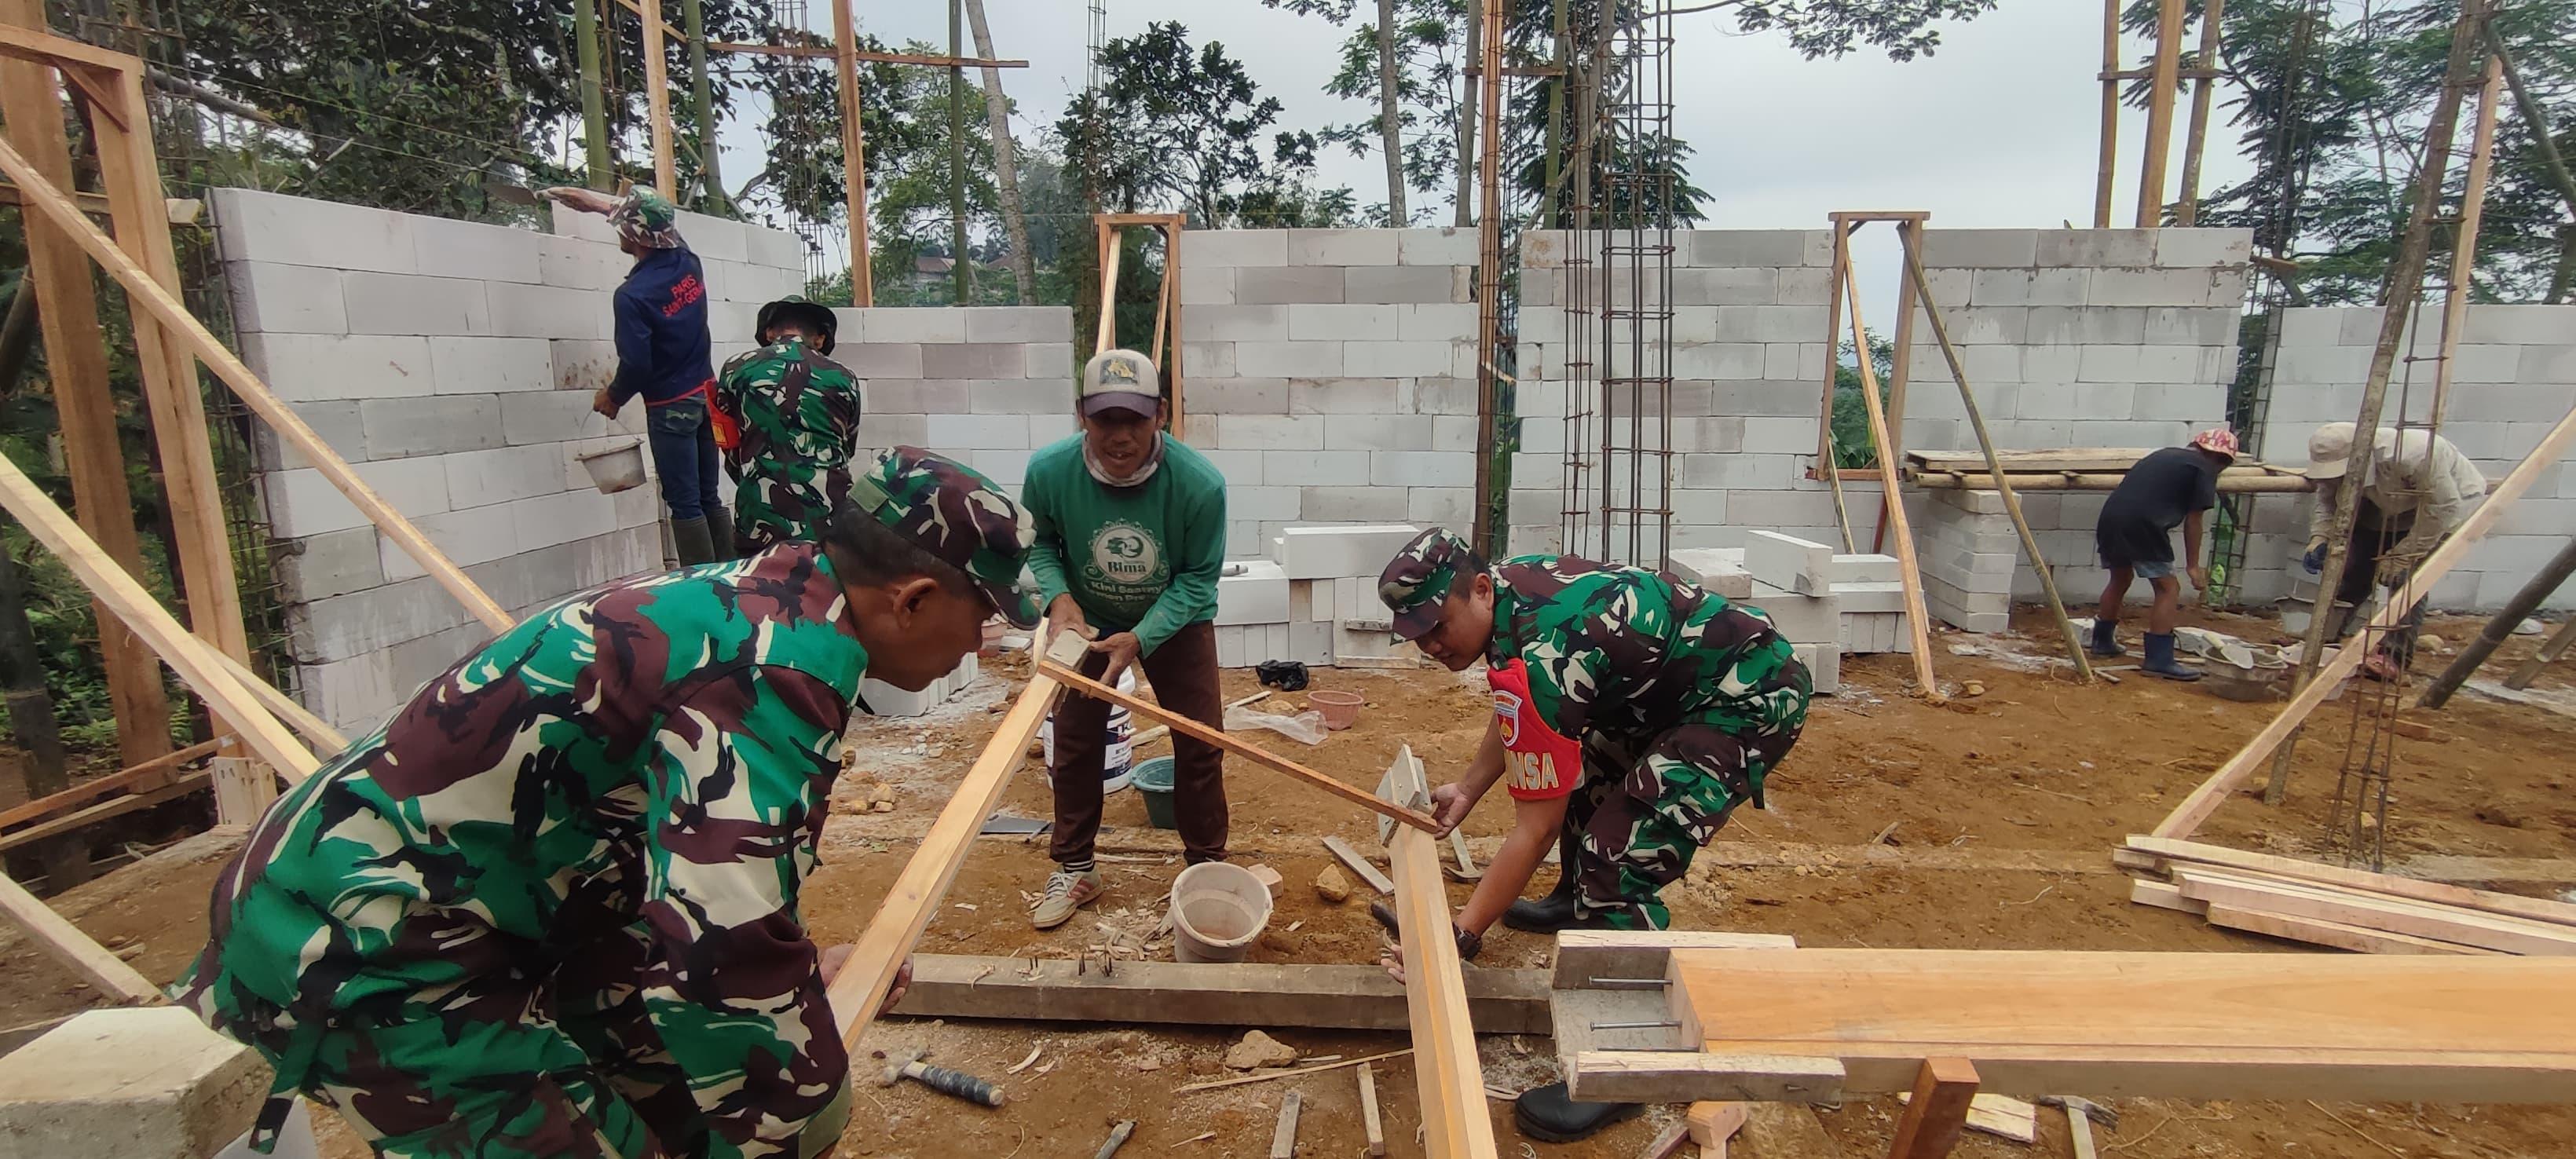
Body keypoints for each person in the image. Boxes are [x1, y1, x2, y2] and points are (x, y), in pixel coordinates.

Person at [173, 448, 1040, 1159]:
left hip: (499, 907)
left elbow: (707, 875)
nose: (981, 641)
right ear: (912, 600)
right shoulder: (775, 669)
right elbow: (722, 943)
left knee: (687, 1106)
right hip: (371, 941)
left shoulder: (773, 599)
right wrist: (799, 1111)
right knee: (781, 1106)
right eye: (984, 617)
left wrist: (796, 974)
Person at [1372, 528, 1809, 1143]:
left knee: (1620, 853)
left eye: (1437, 627)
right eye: (1417, 635)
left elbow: (1536, 829)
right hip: (1669, 694)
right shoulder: (1508, 602)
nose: (1430, 646)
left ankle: (1625, 1071)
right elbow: (1525, 710)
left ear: (1479, 590)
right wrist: (1469, 788)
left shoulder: (1549, 640)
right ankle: (1575, 903)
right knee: (1590, 780)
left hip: (1744, 698)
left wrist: (1461, 933)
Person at [1020, 349, 1228, 930]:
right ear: (1081, 414)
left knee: (1200, 742)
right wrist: (1059, 599)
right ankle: (1077, 868)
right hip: (1088, 621)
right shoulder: (1049, 471)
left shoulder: (1199, 485)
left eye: (1134, 419)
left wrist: (1141, 637)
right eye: (1105, 418)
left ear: (1160, 414)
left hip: (1177, 621)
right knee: (1076, 742)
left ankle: (1205, 867)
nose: (1120, 436)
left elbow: (1197, 578)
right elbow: (1040, 544)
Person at [542, 185, 734, 565]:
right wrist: (598, 205)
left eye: (620, 225)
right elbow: (660, 225)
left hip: (671, 409)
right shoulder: (688, 261)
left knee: (684, 502)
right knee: (708, 496)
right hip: (706, 397)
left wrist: (613, 397)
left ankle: (704, 584)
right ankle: (732, 575)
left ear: (634, 235)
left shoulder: (632, 295)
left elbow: (637, 365)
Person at [2304, 422, 2487, 679]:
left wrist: (2401, 556)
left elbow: (2442, 509)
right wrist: (2320, 537)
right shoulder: (2336, 464)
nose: (2334, 478)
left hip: (2436, 509)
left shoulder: (2414, 455)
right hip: (2382, 506)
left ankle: (2394, 656)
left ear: (2362, 456)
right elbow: (2326, 498)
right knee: (2353, 570)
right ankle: (2324, 639)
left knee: (2406, 581)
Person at [2089, 428, 2240, 681]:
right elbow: (2194, 520)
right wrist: (2193, 566)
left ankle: (2102, 642)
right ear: (2222, 460)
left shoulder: (2163, 455)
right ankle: (2159, 660)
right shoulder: (2205, 468)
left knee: (2120, 579)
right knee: (2167, 588)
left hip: (2111, 518)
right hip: (2143, 524)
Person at [717, 295, 863, 554]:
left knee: (756, 580)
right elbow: (847, 447)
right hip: (829, 515)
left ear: (769, 333)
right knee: (826, 579)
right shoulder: (844, 377)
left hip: (759, 514)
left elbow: (730, 444)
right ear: (819, 339)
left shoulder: (736, 368)